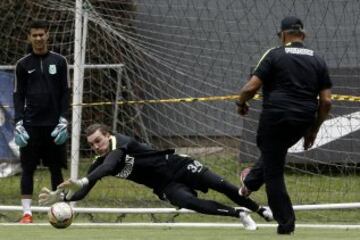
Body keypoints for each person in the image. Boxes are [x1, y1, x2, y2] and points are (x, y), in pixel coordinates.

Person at [39, 123, 273, 230]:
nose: (97, 147)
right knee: (189, 202)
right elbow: (86, 188)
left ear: (107, 135)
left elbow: (111, 163)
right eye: (92, 145)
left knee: (221, 185)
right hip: (165, 185)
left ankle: (259, 209)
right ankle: (239, 213)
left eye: (98, 141)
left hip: (178, 165)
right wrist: (63, 199)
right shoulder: (99, 163)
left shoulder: (121, 142)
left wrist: (84, 179)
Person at [235, 16, 332, 234]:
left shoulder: (274, 54)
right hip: (302, 120)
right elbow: (326, 101)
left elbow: (251, 88)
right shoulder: (318, 59)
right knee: (274, 155)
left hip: (276, 117)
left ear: (283, 35)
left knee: (274, 172)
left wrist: (240, 103)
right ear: (303, 35)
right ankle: (249, 182)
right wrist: (313, 129)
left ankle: (286, 223)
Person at [13, 20, 70, 223]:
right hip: (30, 126)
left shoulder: (60, 61)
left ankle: (60, 210)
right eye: (34, 35)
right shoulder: (22, 65)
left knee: (56, 168)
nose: (38, 38)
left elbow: (65, 93)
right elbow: (18, 96)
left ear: (48, 35)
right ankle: (27, 214)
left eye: (41, 34)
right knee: (27, 169)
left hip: (55, 126)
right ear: (29, 37)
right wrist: (18, 122)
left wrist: (64, 119)